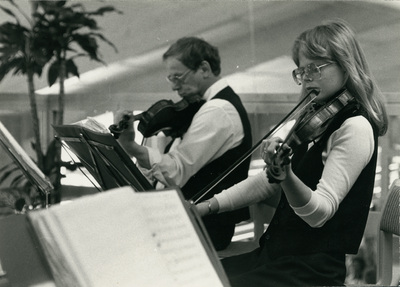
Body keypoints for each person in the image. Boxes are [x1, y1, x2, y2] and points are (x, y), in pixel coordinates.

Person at [196, 19, 388, 286]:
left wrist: (286, 176)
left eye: (314, 69)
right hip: (275, 256)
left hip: (312, 272)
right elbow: (267, 181)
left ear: (346, 66)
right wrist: (206, 207)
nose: (306, 78)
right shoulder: (313, 119)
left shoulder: (355, 127)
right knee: (197, 275)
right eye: (301, 71)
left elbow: (320, 213)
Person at [117, 36, 253, 251]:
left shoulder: (217, 110)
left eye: (178, 77)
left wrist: (132, 147)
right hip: (194, 222)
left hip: (206, 229)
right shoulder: (206, 105)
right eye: (170, 79)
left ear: (204, 69)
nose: (174, 87)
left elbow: (177, 171)